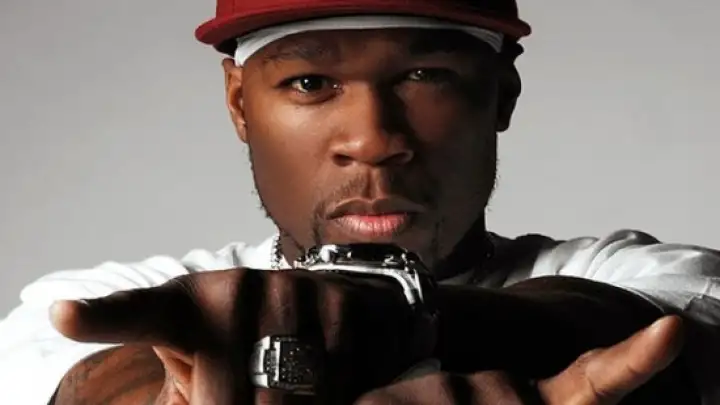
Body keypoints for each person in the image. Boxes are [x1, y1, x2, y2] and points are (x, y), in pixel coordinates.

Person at [1, 0, 719, 404]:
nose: (373, 140)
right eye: (311, 83)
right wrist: (165, 390)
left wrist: (397, 321)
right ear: (239, 103)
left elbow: (630, 321)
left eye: (424, 75)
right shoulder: (90, 299)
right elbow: (89, 378)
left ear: (501, 95)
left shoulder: (657, 276)